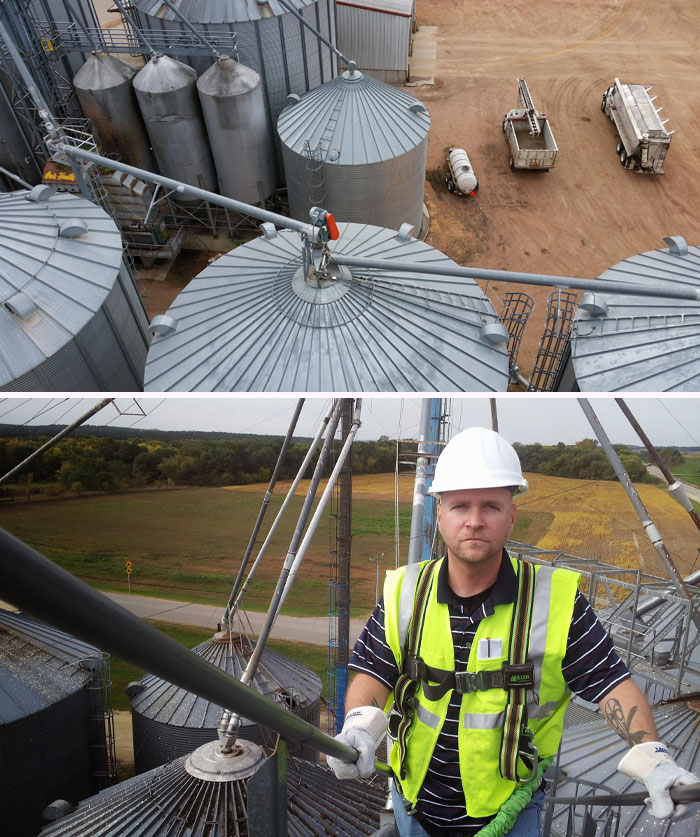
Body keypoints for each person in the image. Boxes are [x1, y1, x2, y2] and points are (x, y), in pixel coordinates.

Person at [327, 427, 698, 836]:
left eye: (490, 506)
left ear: (511, 516)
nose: (474, 521)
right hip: (413, 807)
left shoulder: (555, 602)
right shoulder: (405, 592)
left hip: (508, 814)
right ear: (439, 515)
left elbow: (611, 683)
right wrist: (359, 726)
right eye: (459, 506)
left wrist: (653, 757)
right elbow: (374, 671)